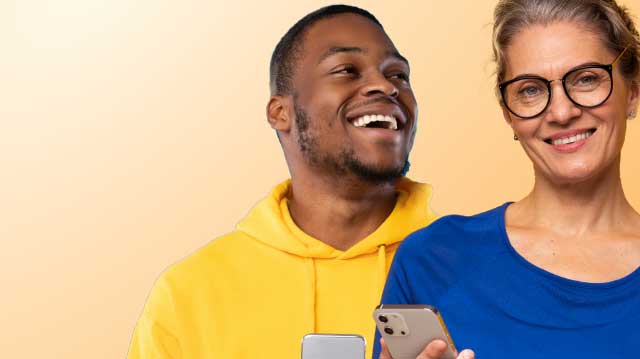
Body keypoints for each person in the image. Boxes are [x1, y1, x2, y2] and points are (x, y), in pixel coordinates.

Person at [127, 5, 438, 359]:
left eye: (399, 75)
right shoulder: (188, 293)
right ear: (280, 112)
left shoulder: (473, 264)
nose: (386, 86)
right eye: (346, 70)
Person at [374, 0, 640, 358]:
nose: (562, 112)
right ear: (508, 113)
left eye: (587, 78)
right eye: (530, 90)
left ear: (633, 92)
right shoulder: (432, 260)